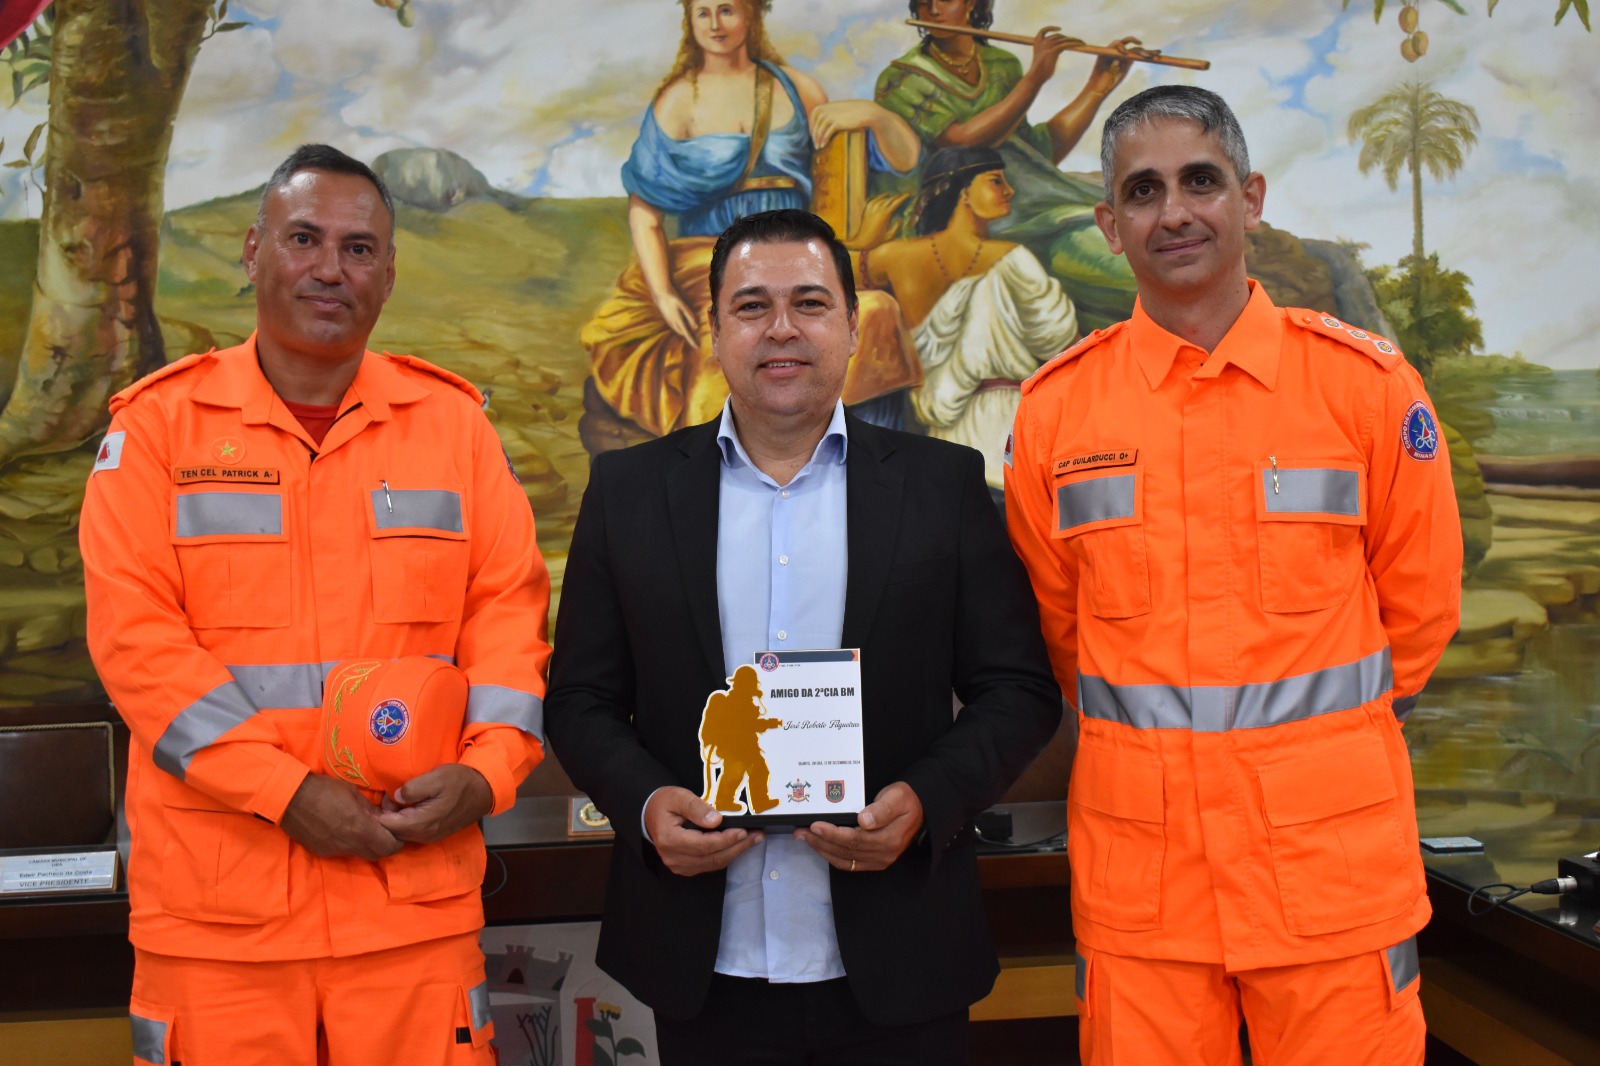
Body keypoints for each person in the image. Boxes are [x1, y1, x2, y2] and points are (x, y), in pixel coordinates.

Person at [1004, 86, 1462, 1065]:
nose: (1173, 211)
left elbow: (1418, 615)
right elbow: (1062, 629)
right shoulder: (1055, 412)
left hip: (1330, 876)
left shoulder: (1364, 389)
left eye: (1199, 180)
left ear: (1249, 198)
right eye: (1142, 190)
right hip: (1145, 888)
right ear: (1108, 224)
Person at [547, 208, 1061, 1064]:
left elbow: (1019, 690)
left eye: (810, 303)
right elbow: (581, 700)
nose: (781, 328)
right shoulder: (629, 492)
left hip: (902, 957)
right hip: (703, 962)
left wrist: (926, 802)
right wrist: (643, 806)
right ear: (713, 333)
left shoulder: (943, 487)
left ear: (853, 328)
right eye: (751, 306)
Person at [79, 144, 552, 1066]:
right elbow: (139, 652)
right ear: (254, 251)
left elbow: (507, 617)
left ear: (388, 272)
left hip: (411, 907)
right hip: (220, 925)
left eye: (360, 247)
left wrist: (488, 773)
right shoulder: (156, 430)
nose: (331, 267)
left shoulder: (452, 428)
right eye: (305, 238)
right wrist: (285, 792)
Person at [581, 0, 923, 446]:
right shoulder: (678, 101)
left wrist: (876, 116)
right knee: (728, 346)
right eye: (703, 13)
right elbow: (645, 211)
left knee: (877, 313)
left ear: (751, 15)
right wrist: (663, 295)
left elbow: (905, 159)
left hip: (795, 256)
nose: (715, 24)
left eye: (727, 10)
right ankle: (712, 483)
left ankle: (872, 469)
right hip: (706, 259)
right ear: (690, 21)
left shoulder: (795, 89)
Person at [874, 0, 1138, 331]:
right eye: (924, 2)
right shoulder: (900, 79)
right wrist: (1035, 79)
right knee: (1131, 271)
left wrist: (1096, 89)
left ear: (972, 3)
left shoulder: (1001, 65)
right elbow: (963, 144)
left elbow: (1037, 151)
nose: (933, 10)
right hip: (986, 217)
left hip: (1043, 200)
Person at [861, 145, 1077, 494]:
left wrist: (864, 241)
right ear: (962, 192)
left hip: (937, 442)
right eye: (996, 180)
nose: (1010, 190)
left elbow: (825, 269)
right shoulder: (1013, 260)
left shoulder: (895, 257)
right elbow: (1058, 339)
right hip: (1004, 433)